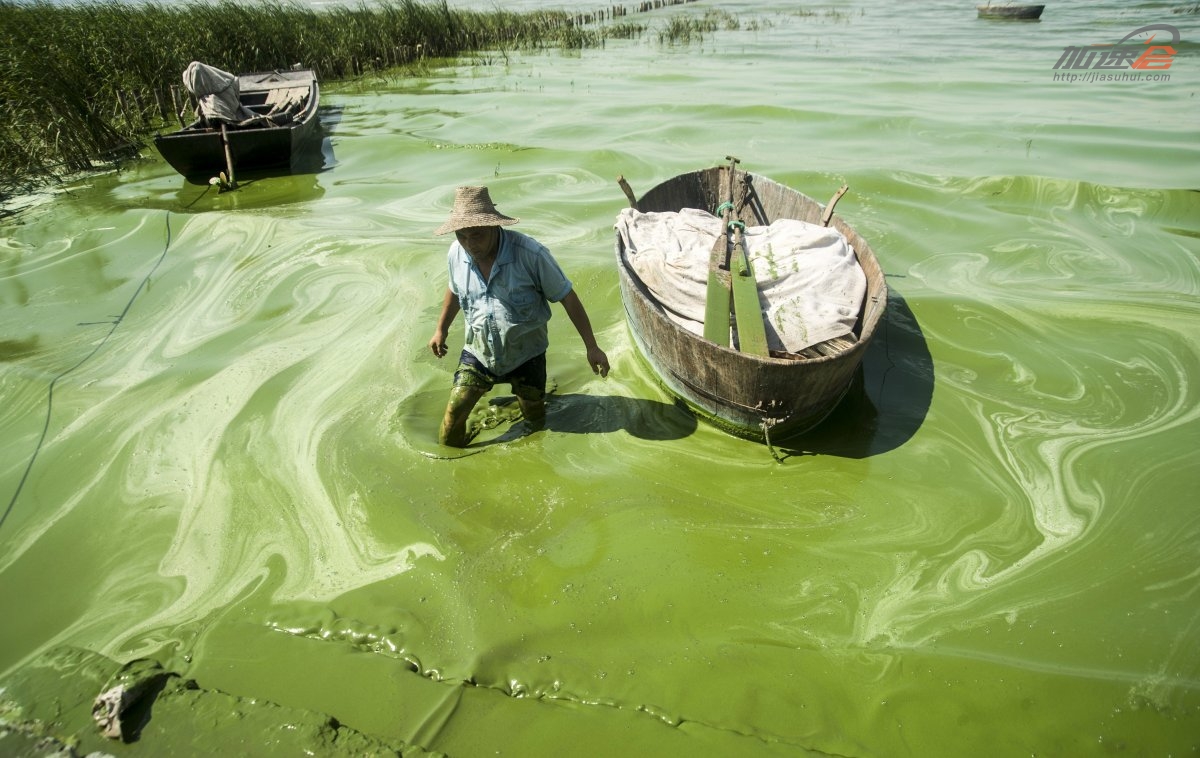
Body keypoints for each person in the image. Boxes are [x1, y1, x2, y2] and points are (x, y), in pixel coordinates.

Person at [428, 186, 610, 447]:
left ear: (493, 226)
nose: (469, 243)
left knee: (535, 423)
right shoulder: (456, 254)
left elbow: (567, 296)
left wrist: (592, 347)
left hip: (527, 355)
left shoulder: (530, 254)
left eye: (476, 235)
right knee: (450, 426)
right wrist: (440, 330)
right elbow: (455, 289)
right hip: (479, 353)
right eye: (462, 235)